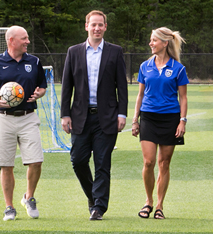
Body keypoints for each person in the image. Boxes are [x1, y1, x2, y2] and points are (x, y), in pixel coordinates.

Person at [61, 10, 128, 221]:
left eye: (100, 25)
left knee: (102, 163)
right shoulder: (73, 52)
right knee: (78, 161)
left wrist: (122, 114)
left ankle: (99, 207)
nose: (97, 28)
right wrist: (65, 114)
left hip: (106, 118)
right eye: (93, 25)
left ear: (105, 27)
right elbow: (66, 86)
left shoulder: (115, 52)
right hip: (80, 116)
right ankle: (93, 196)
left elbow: (122, 87)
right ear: (86, 26)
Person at [0, 25, 47, 221]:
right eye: (24, 38)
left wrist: (39, 93)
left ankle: (29, 197)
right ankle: (9, 207)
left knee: (36, 161)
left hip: (28, 117)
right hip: (3, 118)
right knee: (5, 165)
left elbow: (43, 86)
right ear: (11, 41)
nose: (28, 41)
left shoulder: (34, 61)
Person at [132, 27, 189, 219]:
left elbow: (183, 97)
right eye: (150, 40)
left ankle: (159, 205)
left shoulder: (178, 68)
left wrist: (182, 121)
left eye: (154, 40)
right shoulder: (144, 66)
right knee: (148, 162)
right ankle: (148, 202)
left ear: (165, 43)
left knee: (164, 163)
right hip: (148, 117)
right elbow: (140, 96)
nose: (150, 43)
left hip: (170, 119)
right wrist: (135, 120)